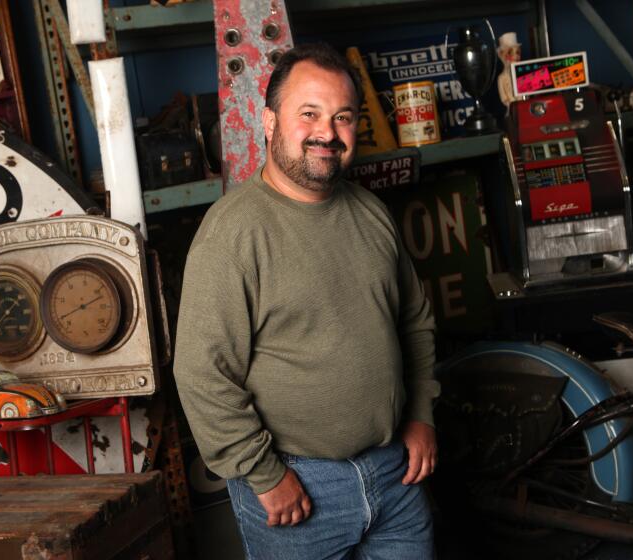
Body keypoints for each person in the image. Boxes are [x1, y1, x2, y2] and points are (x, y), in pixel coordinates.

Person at [174, 43, 439, 560]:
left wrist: (422, 414)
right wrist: (265, 476)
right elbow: (202, 374)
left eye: (343, 117)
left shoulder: (371, 213)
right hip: (296, 485)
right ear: (269, 122)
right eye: (309, 113)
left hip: (395, 473)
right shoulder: (233, 233)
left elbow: (415, 323)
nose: (327, 132)